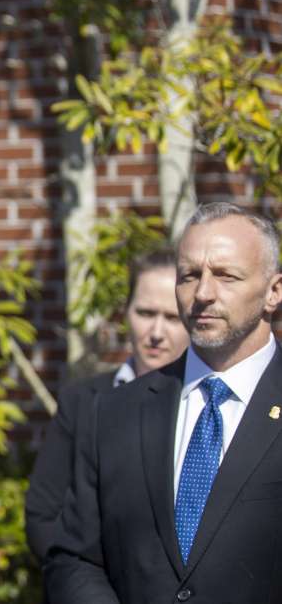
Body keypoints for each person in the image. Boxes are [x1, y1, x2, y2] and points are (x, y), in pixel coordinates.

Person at [45, 202, 282, 603]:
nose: (203, 293)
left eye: (226, 275)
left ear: (273, 292)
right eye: (189, 275)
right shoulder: (114, 413)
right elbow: (74, 558)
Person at [25, 247, 189, 562]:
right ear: (126, 312)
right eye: (145, 313)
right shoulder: (82, 401)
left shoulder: (204, 406)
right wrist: (81, 580)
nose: (156, 333)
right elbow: (43, 517)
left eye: (172, 317)